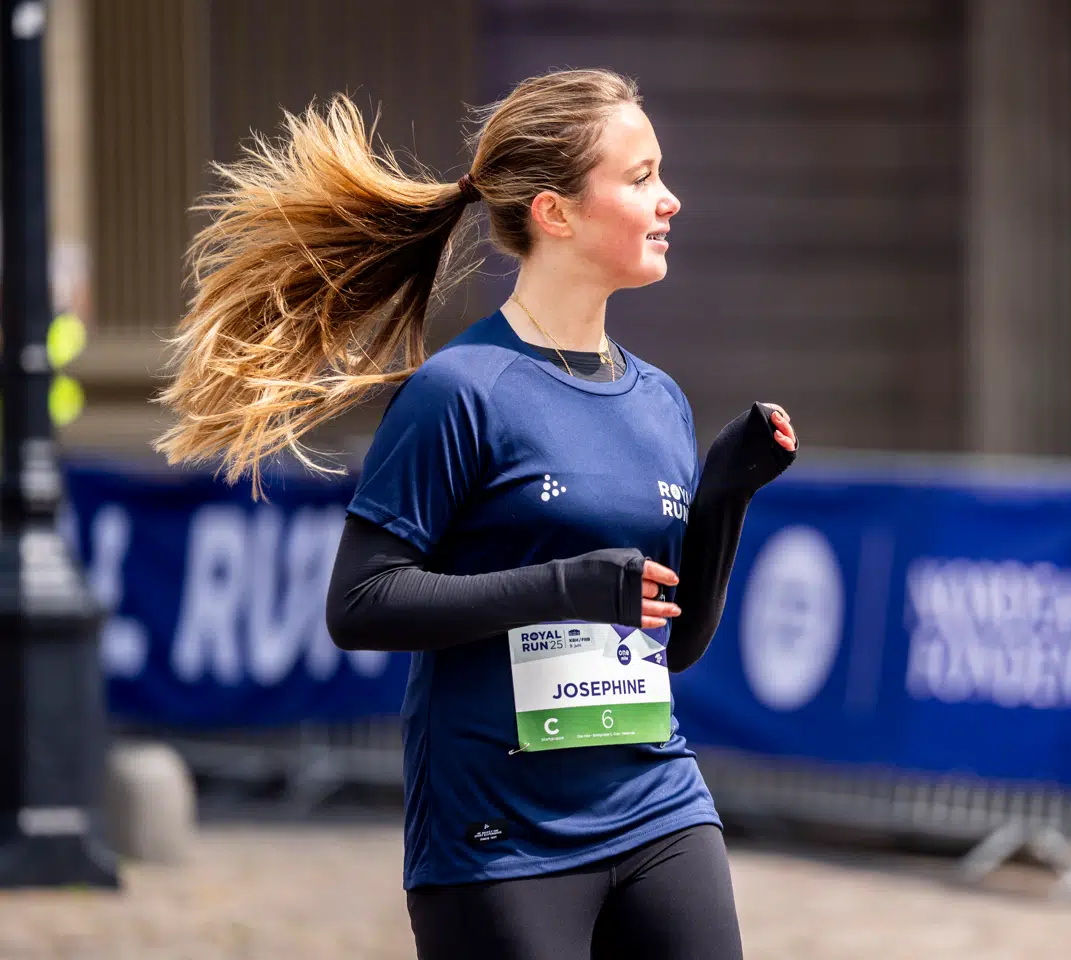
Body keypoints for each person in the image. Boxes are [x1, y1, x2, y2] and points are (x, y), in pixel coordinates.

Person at [153, 68, 798, 959]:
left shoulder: (660, 401)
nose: (670, 199)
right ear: (555, 212)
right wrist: (565, 586)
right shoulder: (460, 392)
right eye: (641, 176)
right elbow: (362, 603)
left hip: (658, 807)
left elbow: (673, 644)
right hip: (499, 837)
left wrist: (726, 491)